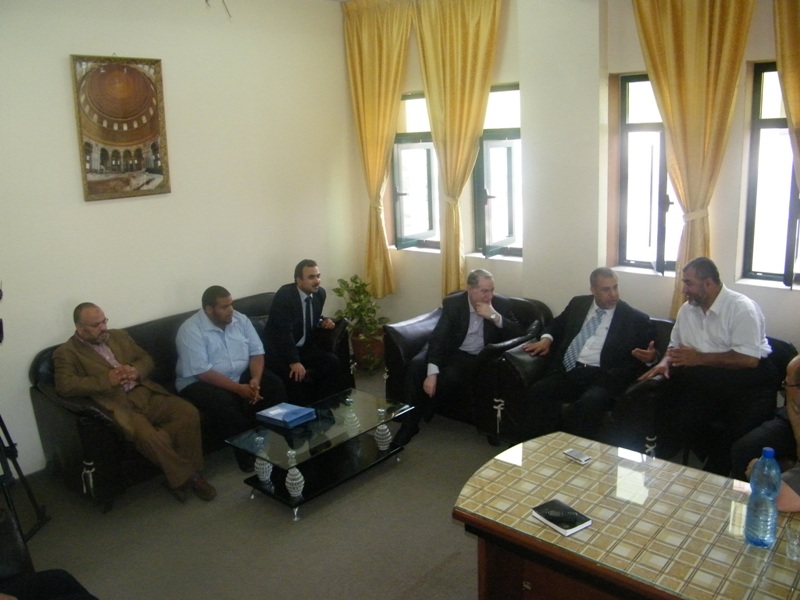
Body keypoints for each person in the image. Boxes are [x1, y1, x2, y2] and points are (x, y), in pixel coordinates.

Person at [53, 303, 216, 503]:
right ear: (80, 328)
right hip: (119, 404)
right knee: (149, 437)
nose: (103, 328)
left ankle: (183, 474)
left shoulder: (119, 336)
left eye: (104, 321)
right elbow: (65, 386)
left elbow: (146, 358)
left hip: (145, 391)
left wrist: (135, 370)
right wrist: (106, 380)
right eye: (96, 325)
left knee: (188, 412)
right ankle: (193, 478)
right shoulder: (66, 352)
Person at [638, 256, 776, 475]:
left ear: (708, 283)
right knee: (665, 399)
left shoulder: (741, 308)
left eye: (689, 283)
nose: (684, 290)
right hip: (705, 380)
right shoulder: (687, 310)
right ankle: (658, 462)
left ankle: (716, 471)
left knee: (730, 434)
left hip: (748, 381)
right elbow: (674, 347)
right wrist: (664, 362)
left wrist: (699, 358)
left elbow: (749, 359)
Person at [393, 269, 523, 447]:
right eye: (484, 291)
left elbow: (519, 333)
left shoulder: (500, 305)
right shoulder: (454, 303)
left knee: (449, 377)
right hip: (450, 348)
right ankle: (409, 426)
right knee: (416, 366)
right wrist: (432, 373)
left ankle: (423, 411)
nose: (489, 296)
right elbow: (438, 338)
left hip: (474, 355)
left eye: (492, 290)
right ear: (470, 289)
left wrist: (494, 316)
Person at [520, 267, 654, 440]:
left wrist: (652, 358)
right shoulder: (578, 304)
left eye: (615, 287)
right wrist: (546, 339)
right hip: (569, 370)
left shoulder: (634, 319)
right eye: (606, 289)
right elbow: (556, 324)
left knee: (590, 403)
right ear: (593, 289)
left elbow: (647, 353)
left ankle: (574, 451)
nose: (613, 294)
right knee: (538, 392)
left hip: (602, 377)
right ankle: (533, 446)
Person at [175, 286, 288, 472]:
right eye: (224, 307)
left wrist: (255, 380)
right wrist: (239, 389)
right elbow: (202, 372)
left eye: (231, 304)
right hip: (199, 382)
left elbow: (257, 353)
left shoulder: (240, 320)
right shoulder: (190, 330)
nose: (231, 310)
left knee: (274, 385)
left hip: (238, 374)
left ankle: (277, 442)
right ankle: (250, 458)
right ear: (209, 309)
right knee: (225, 402)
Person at [262, 259, 340, 405]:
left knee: (331, 361)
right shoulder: (285, 296)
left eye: (318, 276)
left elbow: (309, 317)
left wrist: (322, 321)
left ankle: (325, 406)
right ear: (299, 280)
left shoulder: (319, 294)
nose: (317, 281)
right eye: (311, 277)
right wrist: (294, 361)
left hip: (303, 348)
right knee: (295, 376)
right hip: (279, 352)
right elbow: (283, 331)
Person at [732, 356, 800, 494]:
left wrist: (759, 476)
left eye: (787, 385)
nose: (785, 388)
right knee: (744, 449)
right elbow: (793, 403)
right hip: (791, 416)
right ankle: (743, 499)